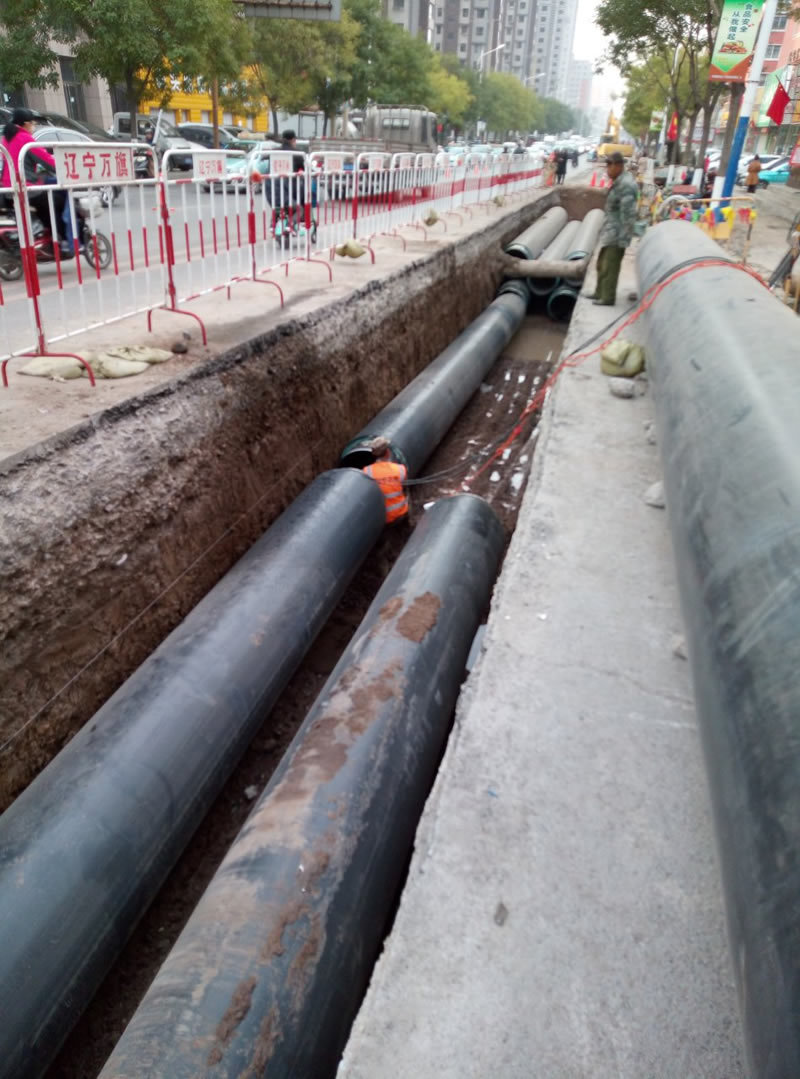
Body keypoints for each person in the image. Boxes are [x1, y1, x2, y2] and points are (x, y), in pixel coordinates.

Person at [0, 108, 73, 256]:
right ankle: (62, 238)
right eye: (33, 123)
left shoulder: (6, 139)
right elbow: (47, 161)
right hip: (24, 189)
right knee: (56, 202)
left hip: (7, 190)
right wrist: (65, 169)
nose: (34, 126)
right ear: (26, 124)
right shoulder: (25, 139)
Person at [591, 151, 639, 307]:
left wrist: (626, 236)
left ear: (618, 166)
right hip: (610, 230)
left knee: (610, 266)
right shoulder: (619, 181)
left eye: (609, 165)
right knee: (602, 263)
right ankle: (599, 292)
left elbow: (628, 214)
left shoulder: (626, 185)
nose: (607, 169)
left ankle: (607, 297)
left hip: (618, 234)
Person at [361, 437, 409, 525]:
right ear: (388, 452)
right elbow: (404, 486)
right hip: (400, 514)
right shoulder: (400, 469)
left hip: (380, 519)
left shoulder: (366, 472)